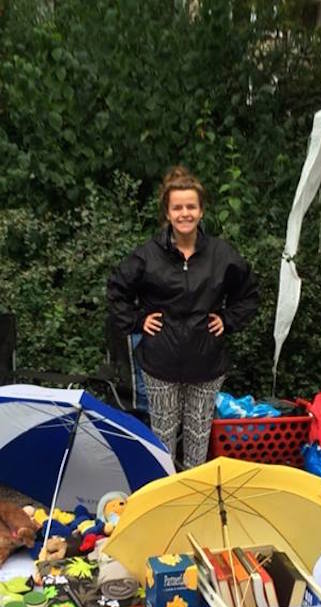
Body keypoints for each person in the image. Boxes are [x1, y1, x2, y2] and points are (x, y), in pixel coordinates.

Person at [106, 166, 259, 468]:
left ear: (201, 211)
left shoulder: (222, 255)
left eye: (191, 206)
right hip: (161, 361)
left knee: (198, 437)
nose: (184, 213)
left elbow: (249, 293)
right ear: (168, 212)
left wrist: (227, 320)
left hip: (207, 362)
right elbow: (117, 290)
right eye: (178, 207)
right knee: (161, 437)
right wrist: (138, 321)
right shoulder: (147, 255)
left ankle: (192, 500)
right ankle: (164, 497)